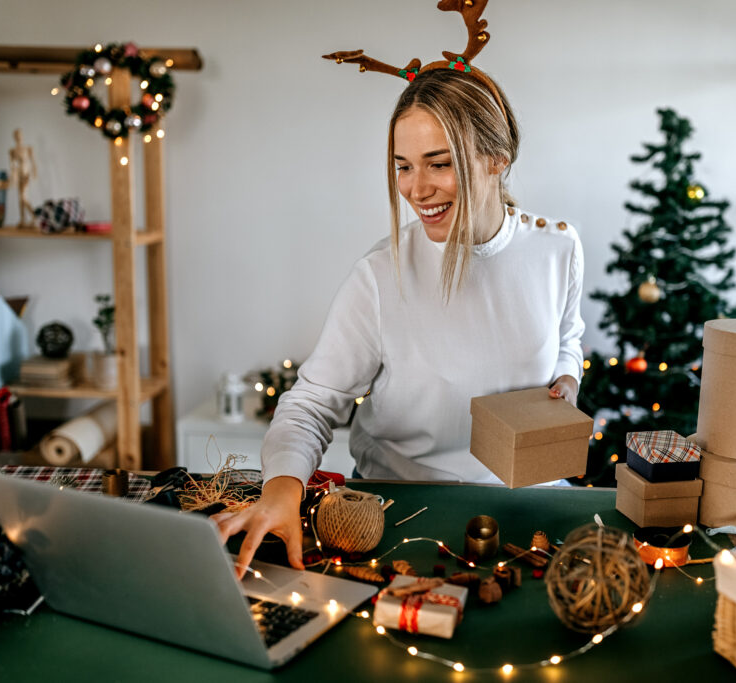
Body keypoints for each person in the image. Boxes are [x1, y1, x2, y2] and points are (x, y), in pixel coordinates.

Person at [214, 68, 585, 578]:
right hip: (401, 512)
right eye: (403, 166)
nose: (417, 189)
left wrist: (567, 376)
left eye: (440, 163)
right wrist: (281, 488)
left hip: (531, 507)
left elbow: (568, 337)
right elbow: (311, 406)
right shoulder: (380, 275)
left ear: (498, 158)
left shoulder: (558, 248)